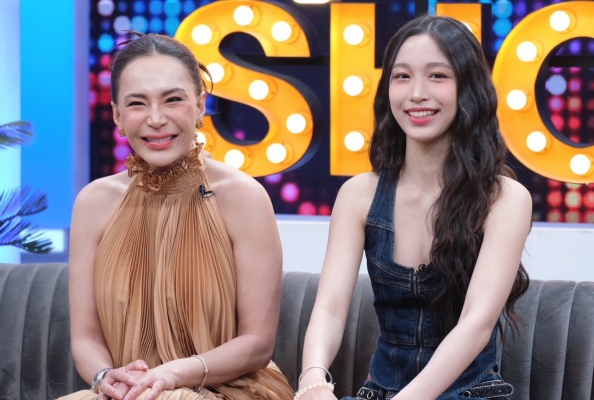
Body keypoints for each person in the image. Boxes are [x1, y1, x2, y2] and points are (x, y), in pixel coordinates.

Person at [297, 15, 531, 400]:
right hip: (379, 391)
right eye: (402, 76)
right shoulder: (358, 195)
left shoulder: (504, 199)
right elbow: (330, 308)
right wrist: (313, 381)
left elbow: (476, 324)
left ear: (468, 88)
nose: (417, 93)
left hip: (469, 393)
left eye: (437, 76)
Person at [61, 33, 294, 400]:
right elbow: (85, 338)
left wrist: (172, 375)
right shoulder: (94, 202)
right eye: (137, 103)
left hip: (229, 390)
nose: (156, 119)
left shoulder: (242, 196)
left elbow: (257, 344)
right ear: (118, 115)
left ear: (200, 105)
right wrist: (106, 375)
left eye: (173, 99)